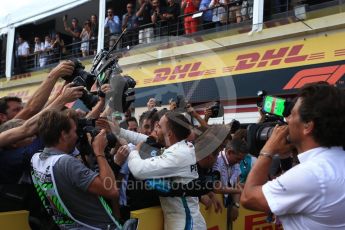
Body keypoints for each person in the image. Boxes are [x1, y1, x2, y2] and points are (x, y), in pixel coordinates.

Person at [241, 82, 345, 229]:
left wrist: (267, 151)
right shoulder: (335, 161)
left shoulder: (312, 174)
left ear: (308, 125)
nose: (287, 120)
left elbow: (248, 197)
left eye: (293, 114)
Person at [31, 110, 120, 229]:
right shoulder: (66, 163)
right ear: (63, 135)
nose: (77, 136)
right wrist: (99, 152)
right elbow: (111, 190)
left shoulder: (36, 158)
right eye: (74, 131)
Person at [128, 112, 206, 229]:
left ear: (169, 134)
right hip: (183, 221)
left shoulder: (178, 154)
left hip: (186, 224)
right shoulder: (183, 147)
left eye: (159, 126)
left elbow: (138, 170)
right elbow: (146, 139)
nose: (155, 129)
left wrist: (134, 151)